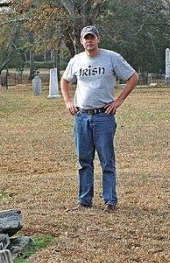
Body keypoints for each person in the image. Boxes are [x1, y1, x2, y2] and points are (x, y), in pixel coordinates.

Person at [61, 25, 138, 212]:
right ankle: (85, 199)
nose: (89, 41)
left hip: (103, 116)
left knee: (106, 160)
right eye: (86, 38)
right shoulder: (76, 60)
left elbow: (133, 77)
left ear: (98, 39)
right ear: (81, 41)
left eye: (92, 37)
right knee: (84, 160)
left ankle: (110, 200)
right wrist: (68, 101)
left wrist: (118, 101)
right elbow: (65, 80)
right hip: (82, 116)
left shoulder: (111, 58)